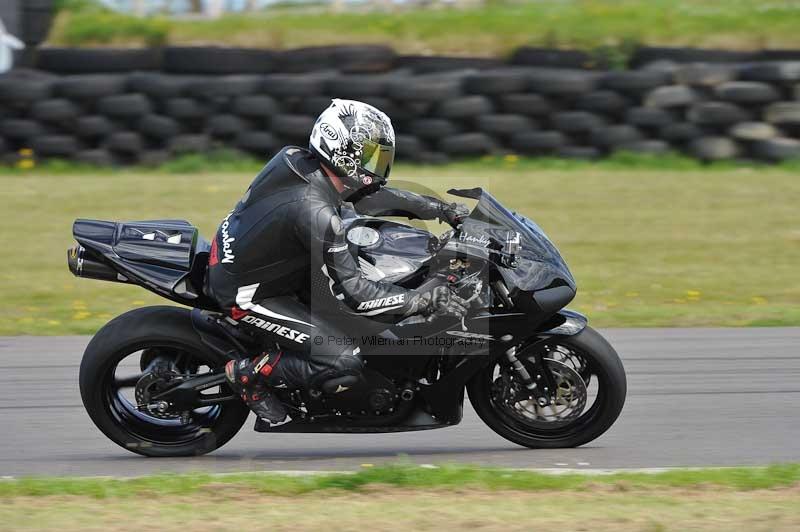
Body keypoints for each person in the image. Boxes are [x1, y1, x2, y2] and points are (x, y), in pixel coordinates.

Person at [206, 99, 471, 423]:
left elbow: (369, 196)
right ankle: (250, 374)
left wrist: (439, 208)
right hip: (249, 292)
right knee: (342, 361)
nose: (379, 163)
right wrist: (421, 300)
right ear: (342, 152)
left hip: (265, 259)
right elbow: (357, 296)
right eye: (372, 155)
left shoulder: (297, 159)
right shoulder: (316, 213)